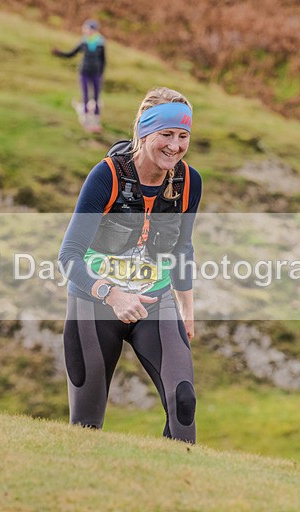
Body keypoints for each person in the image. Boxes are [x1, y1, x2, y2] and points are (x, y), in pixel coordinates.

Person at [58, 87, 202, 443]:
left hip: (155, 302)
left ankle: (180, 490)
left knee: (183, 401)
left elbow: (182, 246)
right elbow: (69, 255)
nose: (175, 146)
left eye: (183, 136)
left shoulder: (187, 182)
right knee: (86, 427)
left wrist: (186, 306)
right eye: (165, 135)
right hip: (94, 304)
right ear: (143, 132)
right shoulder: (107, 175)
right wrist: (111, 294)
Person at [52, 19, 106, 132]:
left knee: (96, 96)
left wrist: (101, 73)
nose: (85, 31)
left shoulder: (100, 43)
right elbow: (71, 54)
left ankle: (96, 119)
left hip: (95, 73)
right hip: (84, 72)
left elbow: (103, 60)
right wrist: (59, 53)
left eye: (87, 28)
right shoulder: (84, 42)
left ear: (93, 30)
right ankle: (86, 118)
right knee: (85, 95)